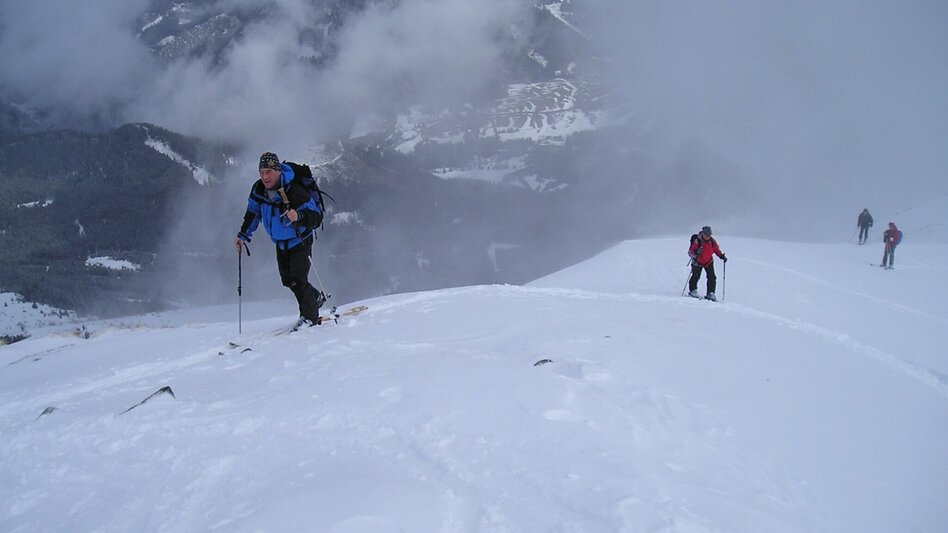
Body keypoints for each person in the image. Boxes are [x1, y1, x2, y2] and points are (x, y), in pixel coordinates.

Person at [235, 152, 325, 328]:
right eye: (261, 172)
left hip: (300, 239)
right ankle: (314, 298)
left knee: (298, 279)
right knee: (288, 280)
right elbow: (253, 213)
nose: (264, 176)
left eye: (268, 171)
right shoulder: (259, 189)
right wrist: (243, 235)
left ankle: (309, 318)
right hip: (280, 242)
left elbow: (316, 217)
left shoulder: (295, 190)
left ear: (277, 171)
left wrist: (298, 215)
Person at [688, 226, 727, 301]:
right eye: (706, 235)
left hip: (709, 261)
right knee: (696, 276)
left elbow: (716, 249)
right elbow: (690, 252)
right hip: (697, 261)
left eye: (709, 235)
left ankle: (710, 293)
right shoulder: (697, 241)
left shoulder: (712, 241)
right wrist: (696, 252)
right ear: (703, 233)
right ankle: (693, 290)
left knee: (712, 277)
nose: (708, 236)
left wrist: (721, 256)